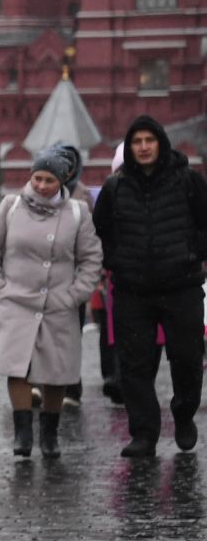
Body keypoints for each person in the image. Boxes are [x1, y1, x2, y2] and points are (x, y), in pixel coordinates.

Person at [0, 144, 103, 458]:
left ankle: (49, 434)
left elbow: (91, 259)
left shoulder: (77, 212)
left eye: (49, 180)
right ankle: (22, 435)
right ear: (30, 178)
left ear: (62, 181)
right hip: (15, 302)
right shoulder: (10, 207)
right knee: (16, 368)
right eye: (38, 179)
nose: (43, 186)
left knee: (56, 372)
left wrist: (74, 295)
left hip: (59, 305)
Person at [92, 116, 207, 457]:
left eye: (149, 140)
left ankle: (183, 414)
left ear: (160, 144)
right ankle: (144, 433)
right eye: (136, 141)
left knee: (187, 358)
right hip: (132, 290)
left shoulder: (187, 180)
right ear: (129, 148)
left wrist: (193, 254)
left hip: (181, 286)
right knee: (135, 365)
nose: (143, 147)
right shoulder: (116, 188)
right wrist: (116, 261)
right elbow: (101, 232)